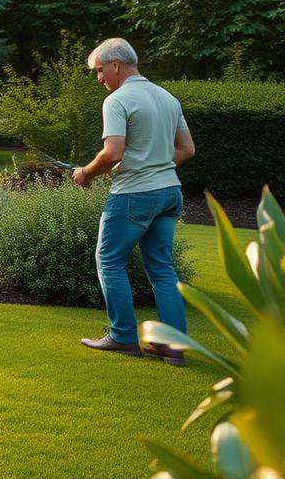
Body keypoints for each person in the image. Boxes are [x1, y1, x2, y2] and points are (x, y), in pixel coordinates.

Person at [72, 39, 195, 365]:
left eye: (100, 70)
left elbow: (112, 153)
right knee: (163, 270)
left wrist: (86, 172)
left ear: (116, 65)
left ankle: (122, 336)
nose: (98, 77)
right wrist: (155, 165)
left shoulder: (118, 100)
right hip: (170, 192)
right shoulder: (168, 98)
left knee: (109, 261)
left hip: (132, 195)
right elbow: (186, 150)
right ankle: (173, 346)